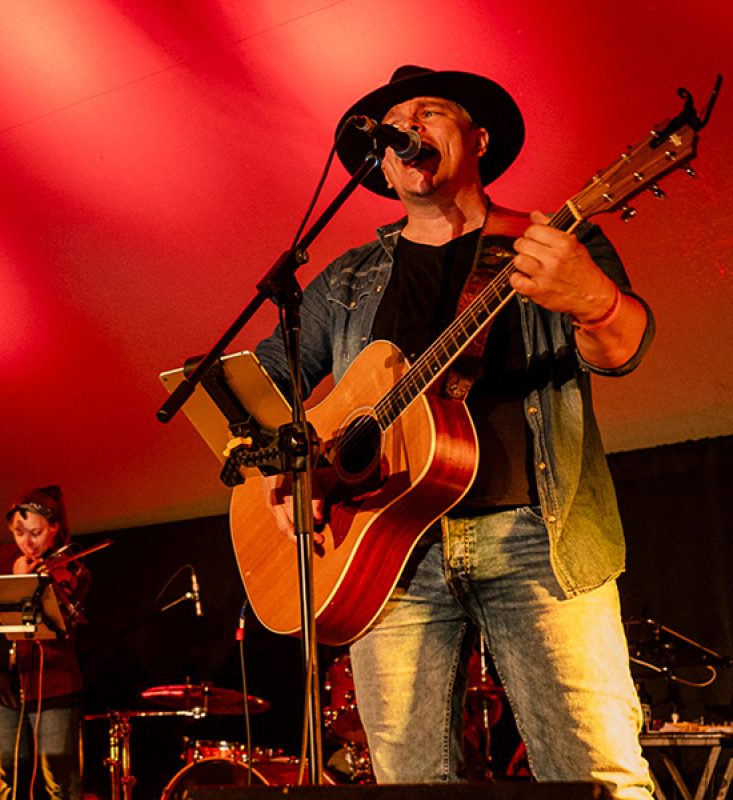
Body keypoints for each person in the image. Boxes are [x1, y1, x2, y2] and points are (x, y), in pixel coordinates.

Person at [255, 67, 655, 798]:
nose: (407, 127)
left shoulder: (554, 240)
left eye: (428, 113)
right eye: (395, 121)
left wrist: (592, 300)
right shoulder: (347, 279)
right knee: (407, 782)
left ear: (477, 139)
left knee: (596, 772)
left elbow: (621, 348)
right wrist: (277, 472)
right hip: (385, 555)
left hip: (537, 535)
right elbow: (260, 382)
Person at [0, 486, 89, 800]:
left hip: (52, 687)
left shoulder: (71, 566)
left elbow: (66, 611)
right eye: (19, 532)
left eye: (35, 532)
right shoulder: (1, 556)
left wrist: (28, 580)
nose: (27, 541)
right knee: (9, 779)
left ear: (54, 530)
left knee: (59, 781)